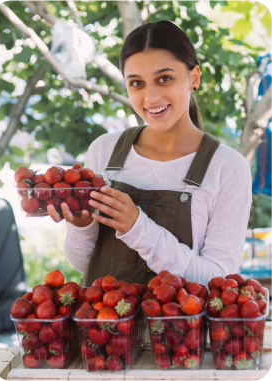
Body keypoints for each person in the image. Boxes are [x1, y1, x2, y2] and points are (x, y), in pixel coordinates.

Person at [47, 20, 252, 287]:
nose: (151, 97)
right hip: (103, 326)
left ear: (194, 78)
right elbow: (85, 264)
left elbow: (218, 282)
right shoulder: (104, 151)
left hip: (178, 329)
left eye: (164, 78)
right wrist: (81, 226)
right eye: (136, 83)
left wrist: (137, 228)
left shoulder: (226, 167)